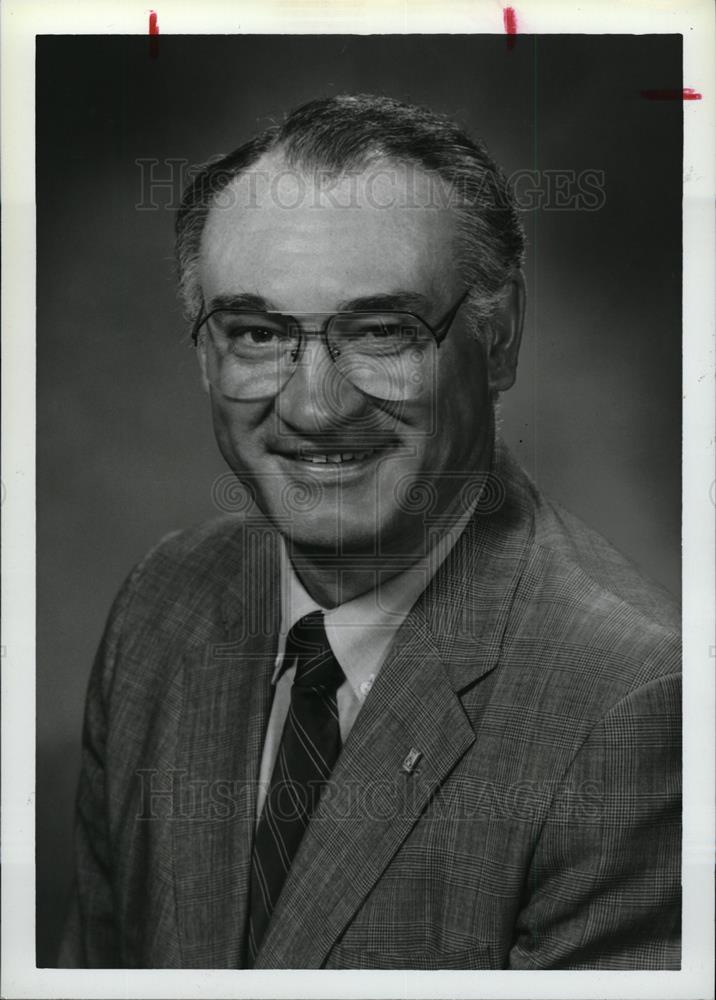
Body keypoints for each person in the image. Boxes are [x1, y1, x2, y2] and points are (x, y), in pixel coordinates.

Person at [60, 93, 681, 970]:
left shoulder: (633, 708)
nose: (316, 405)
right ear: (206, 353)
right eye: (258, 332)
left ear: (499, 339)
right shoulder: (161, 607)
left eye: (383, 330)